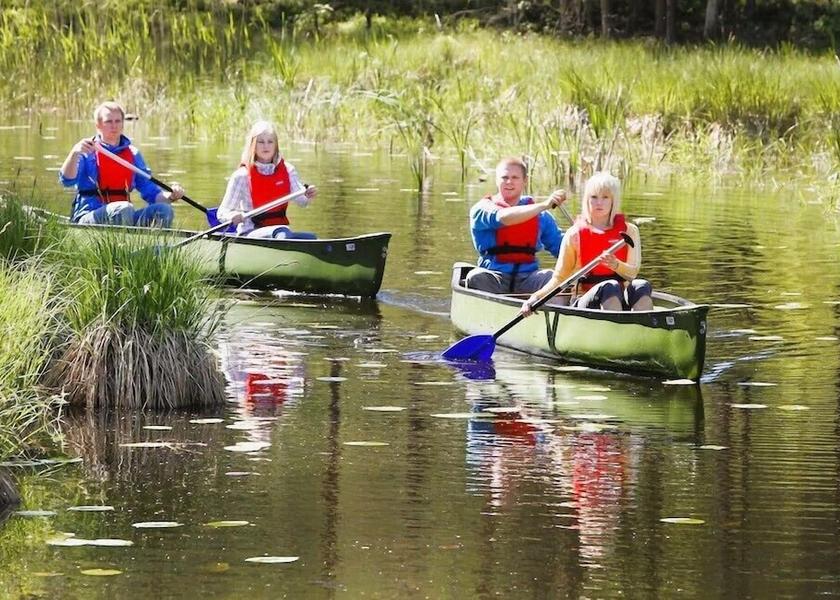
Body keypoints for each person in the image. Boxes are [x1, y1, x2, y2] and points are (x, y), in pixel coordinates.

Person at [520, 172, 653, 316]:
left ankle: (646, 328)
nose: (599, 203)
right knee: (610, 286)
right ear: (587, 200)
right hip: (584, 302)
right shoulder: (574, 234)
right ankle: (615, 330)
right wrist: (535, 298)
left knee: (642, 285)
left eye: (605, 197)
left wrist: (615, 265)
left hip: (621, 299)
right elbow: (559, 278)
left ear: (613, 200)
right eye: (594, 197)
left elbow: (632, 274)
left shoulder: (630, 231)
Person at [59, 101, 183, 226]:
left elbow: (152, 193)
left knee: (164, 210)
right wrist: (74, 153)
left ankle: (157, 245)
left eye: (118, 121)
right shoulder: (86, 150)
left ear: (123, 124)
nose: (114, 126)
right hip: (89, 216)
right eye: (108, 121)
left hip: (124, 215)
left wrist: (171, 196)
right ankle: (121, 243)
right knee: (123, 208)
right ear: (98, 125)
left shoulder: (133, 154)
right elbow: (67, 181)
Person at [466, 157, 567, 294]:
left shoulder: (541, 217)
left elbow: (563, 248)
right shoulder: (482, 209)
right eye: (504, 177)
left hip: (528, 278)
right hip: (494, 276)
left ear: (525, 181)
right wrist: (544, 205)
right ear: (496, 180)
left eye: (515, 177)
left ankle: (546, 309)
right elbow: (503, 217)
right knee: (475, 277)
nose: (509, 182)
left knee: (551, 277)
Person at [216, 120, 318, 239]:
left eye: (270, 142)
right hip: (250, 232)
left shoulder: (289, 170)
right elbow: (222, 212)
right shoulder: (241, 176)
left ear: (276, 145)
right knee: (282, 232)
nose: (266, 146)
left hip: (280, 232)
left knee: (311, 238)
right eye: (261, 142)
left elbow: (302, 202)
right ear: (253, 145)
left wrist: (308, 194)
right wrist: (232, 216)